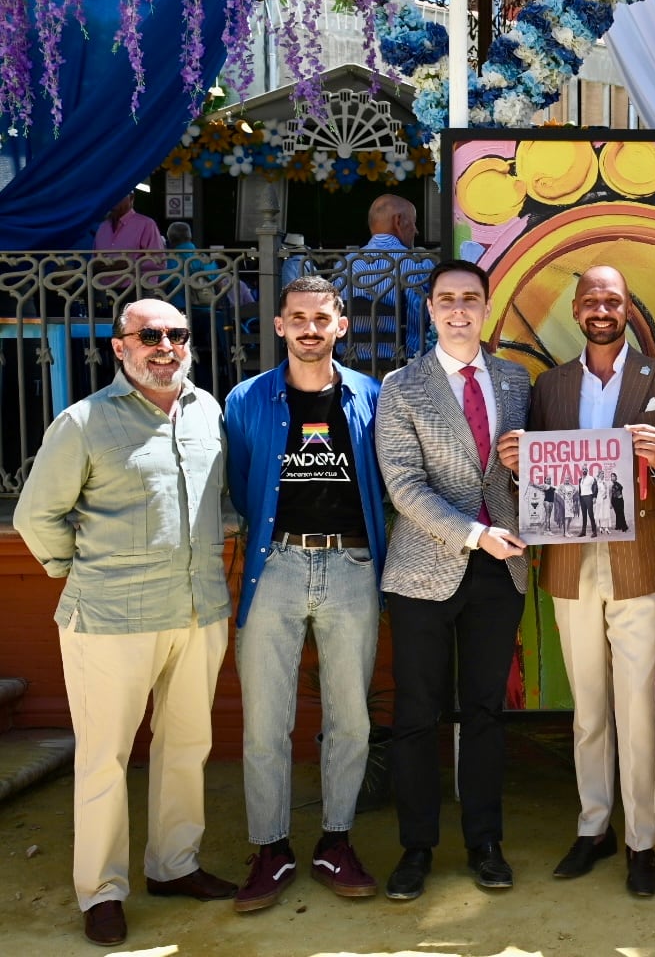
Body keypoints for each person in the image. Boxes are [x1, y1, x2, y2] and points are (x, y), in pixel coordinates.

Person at [15, 299, 235, 946]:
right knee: (106, 759)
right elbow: (35, 518)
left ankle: (173, 865)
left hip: (198, 611)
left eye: (177, 334)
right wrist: (81, 573)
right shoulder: (82, 423)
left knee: (188, 746)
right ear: (120, 347)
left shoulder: (208, 412)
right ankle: (103, 890)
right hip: (112, 619)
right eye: (149, 335)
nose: (165, 345)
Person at [503, 264, 655, 898]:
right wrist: (519, 463)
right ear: (578, 310)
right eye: (591, 300)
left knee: (635, 706)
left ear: (628, 307)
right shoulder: (550, 386)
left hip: (641, 559)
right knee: (588, 706)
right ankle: (593, 826)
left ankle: (642, 840)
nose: (602, 309)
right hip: (570, 561)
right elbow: (540, 480)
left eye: (613, 299)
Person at [223, 276, 387, 913]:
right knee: (266, 718)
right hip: (277, 564)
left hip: (351, 564)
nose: (311, 329)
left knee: (351, 716)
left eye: (322, 318)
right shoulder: (247, 399)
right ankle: (271, 847)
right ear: (280, 326)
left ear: (340, 326)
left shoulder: (370, 395)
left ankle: (335, 841)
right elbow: (242, 482)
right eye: (299, 318)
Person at [374, 260, 530, 901]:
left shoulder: (517, 380)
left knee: (486, 713)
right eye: (447, 300)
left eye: (471, 298)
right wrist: (473, 533)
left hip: (502, 572)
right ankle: (416, 848)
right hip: (425, 570)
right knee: (416, 715)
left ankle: (485, 843)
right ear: (431, 310)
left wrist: (526, 469)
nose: (459, 309)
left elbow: (535, 470)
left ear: (486, 307)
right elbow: (404, 485)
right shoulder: (401, 386)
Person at [340, 194, 436, 362]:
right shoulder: (420, 264)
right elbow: (436, 317)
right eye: (414, 222)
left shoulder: (345, 265)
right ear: (398, 221)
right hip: (407, 368)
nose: (416, 230)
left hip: (351, 367)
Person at [93, 192, 165, 296]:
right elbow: (94, 258)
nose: (113, 200)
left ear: (131, 198)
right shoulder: (103, 227)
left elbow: (159, 261)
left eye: (118, 195)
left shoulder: (146, 224)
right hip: (104, 291)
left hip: (137, 291)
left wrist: (129, 264)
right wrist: (97, 264)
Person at [579, 464, 601, 538]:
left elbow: (596, 487)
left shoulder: (591, 478)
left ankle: (594, 532)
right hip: (582, 498)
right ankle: (583, 532)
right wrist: (580, 498)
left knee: (590, 514)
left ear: (587, 470)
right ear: (582, 470)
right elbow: (580, 490)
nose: (584, 470)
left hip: (589, 497)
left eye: (585, 469)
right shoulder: (580, 479)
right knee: (584, 515)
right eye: (583, 469)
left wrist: (594, 497)